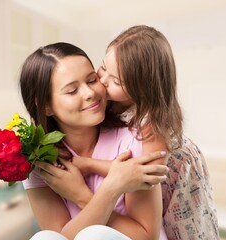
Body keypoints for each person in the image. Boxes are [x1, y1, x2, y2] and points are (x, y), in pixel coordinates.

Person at [73, 25, 219, 239]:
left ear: (142, 88)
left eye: (115, 81)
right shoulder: (113, 103)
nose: (102, 82)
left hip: (178, 185)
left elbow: (142, 174)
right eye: (103, 68)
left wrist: (88, 165)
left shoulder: (153, 123)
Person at [19, 42, 169, 240]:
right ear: (46, 106)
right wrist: (111, 188)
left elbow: (146, 237)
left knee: (94, 235)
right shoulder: (40, 162)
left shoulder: (135, 141)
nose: (90, 93)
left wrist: (82, 195)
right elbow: (61, 237)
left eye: (91, 80)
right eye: (72, 91)